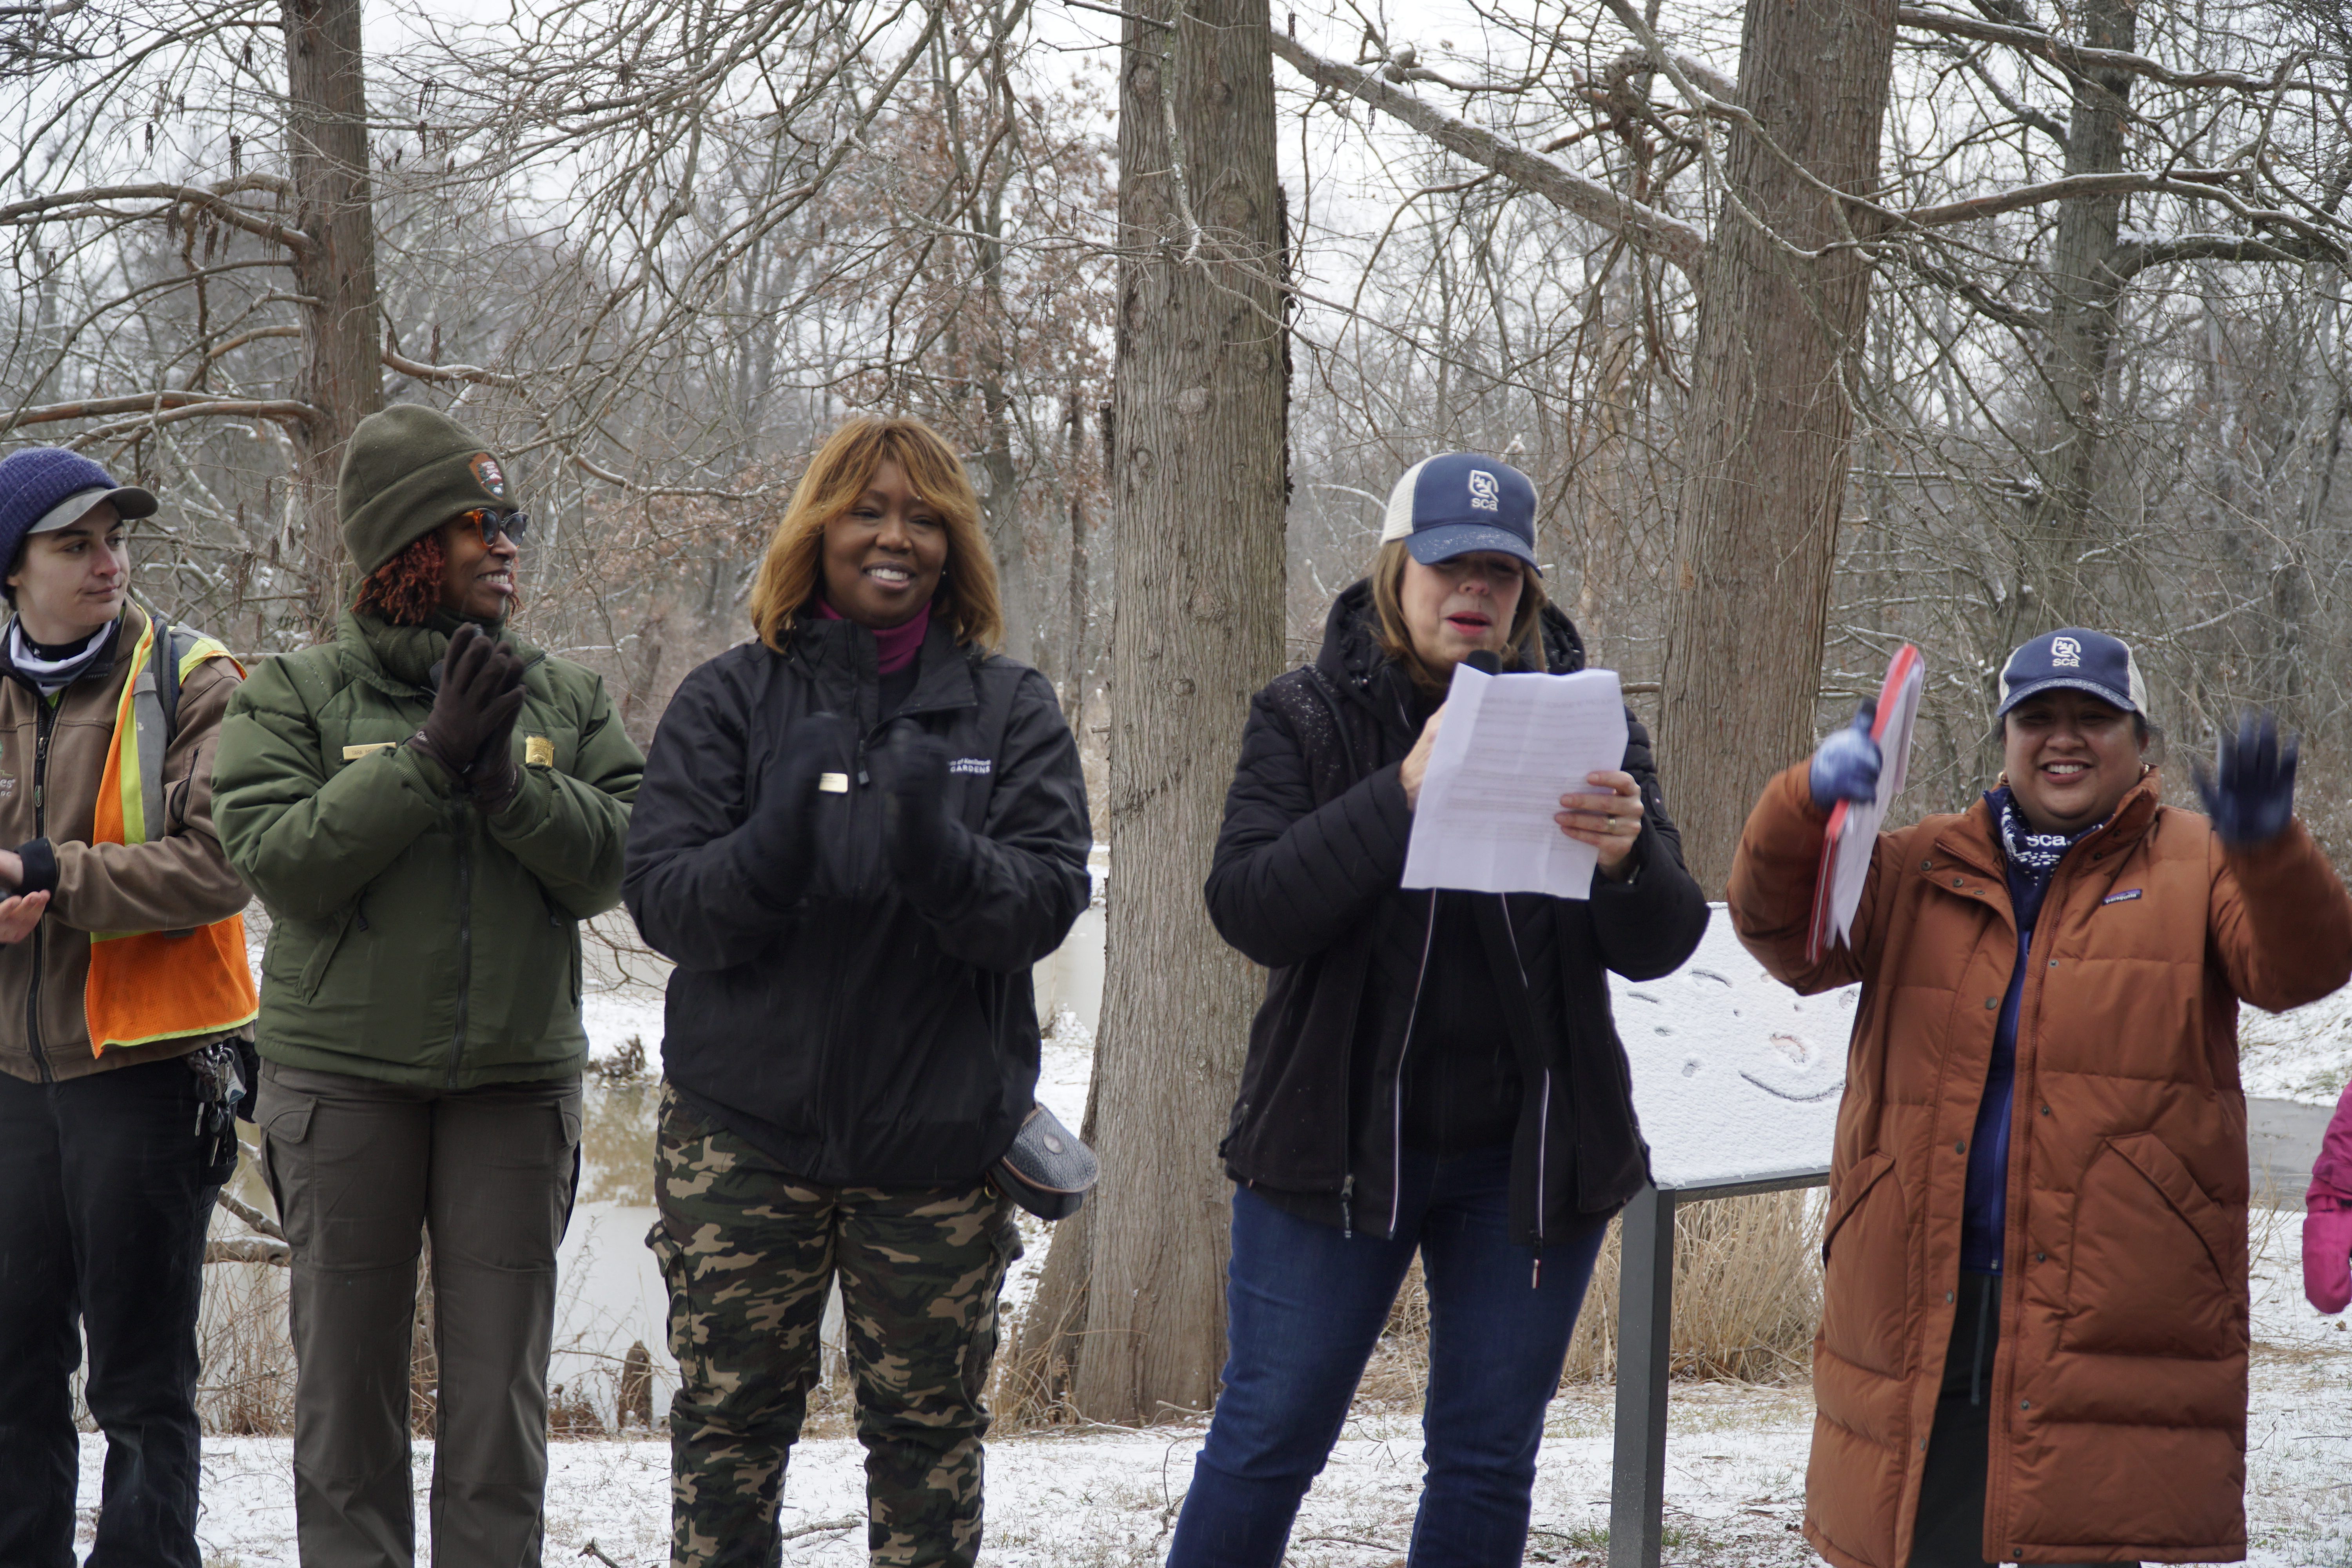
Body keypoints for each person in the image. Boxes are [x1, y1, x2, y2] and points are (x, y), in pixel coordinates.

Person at [1169, 454, 1710, 1567]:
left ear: (1527, 592)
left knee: (1485, 1459)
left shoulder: (1588, 722)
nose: (1475, 589)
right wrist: (1403, 789)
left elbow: (1662, 944)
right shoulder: (1306, 716)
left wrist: (1628, 862)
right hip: (1331, 1150)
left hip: (1528, 1160)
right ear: (1395, 572)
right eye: (1449, 564)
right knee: (1269, 1438)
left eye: (1501, 573)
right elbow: (1251, 907)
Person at [1728, 629, 2352, 1568]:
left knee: (2081, 1537)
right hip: (1923, 1292)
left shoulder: (2204, 862)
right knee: (1922, 1541)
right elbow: (1782, 931)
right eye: (2039, 717)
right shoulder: (1917, 863)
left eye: (2094, 716)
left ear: (2140, 740)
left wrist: (2271, 850)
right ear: (2005, 738)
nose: (2065, 737)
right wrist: (1805, 801)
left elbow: (2302, 968)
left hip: (2110, 1306)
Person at [622, 415, 1091, 1568]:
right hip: (744, 1143)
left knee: (929, 1440)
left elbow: (1043, 902)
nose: (895, 537)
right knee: (730, 1429)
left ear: (954, 545)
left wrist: (942, 853)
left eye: (924, 518)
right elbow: (666, 904)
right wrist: (771, 844)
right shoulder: (729, 701)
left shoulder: (1009, 708)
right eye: (867, 511)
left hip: (938, 1151)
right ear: (816, 532)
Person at [211, 406, 642, 1568]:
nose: (506, 545)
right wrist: (426, 761)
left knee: (499, 1404)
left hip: (515, 1085)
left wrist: (511, 788)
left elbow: (620, 863)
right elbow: (284, 865)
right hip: (341, 1088)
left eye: (513, 522)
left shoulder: (565, 698)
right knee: (346, 1400)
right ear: (407, 545)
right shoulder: (291, 695)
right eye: (476, 524)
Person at [0, 448, 258, 1568]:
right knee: (12, 1373)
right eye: (76, 545)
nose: (110, 563)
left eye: (115, 540)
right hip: (8, 1084)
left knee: (144, 1386)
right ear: (13, 570)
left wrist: (48, 877)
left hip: (150, 1078)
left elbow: (221, 864)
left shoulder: (196, 678)